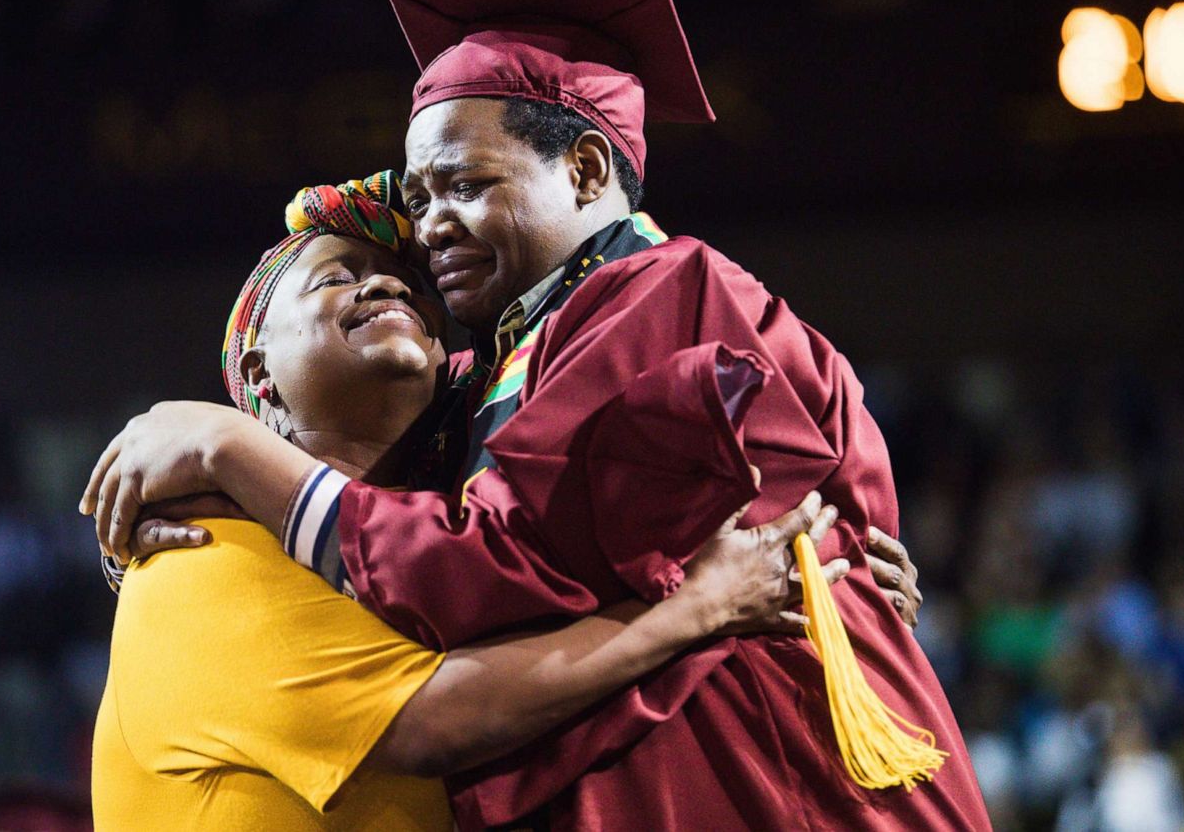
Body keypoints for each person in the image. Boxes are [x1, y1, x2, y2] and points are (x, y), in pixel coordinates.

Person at [85, 0, 986, 829]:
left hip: (765, 785)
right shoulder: (518, 358)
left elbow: (500, 568)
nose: (428, 229)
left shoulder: (666, 296)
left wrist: (226, 452)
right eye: (421, 195)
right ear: (257, 374)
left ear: (588, 171)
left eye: (464, 185)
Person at [90, 177, 861, 830]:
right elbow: (444, 721)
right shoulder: (205, 556)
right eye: (335, 278)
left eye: (414, 292)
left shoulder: (438, 555)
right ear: (258, 375)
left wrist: (829, 562)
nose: (390, 285)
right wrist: (701, 605)